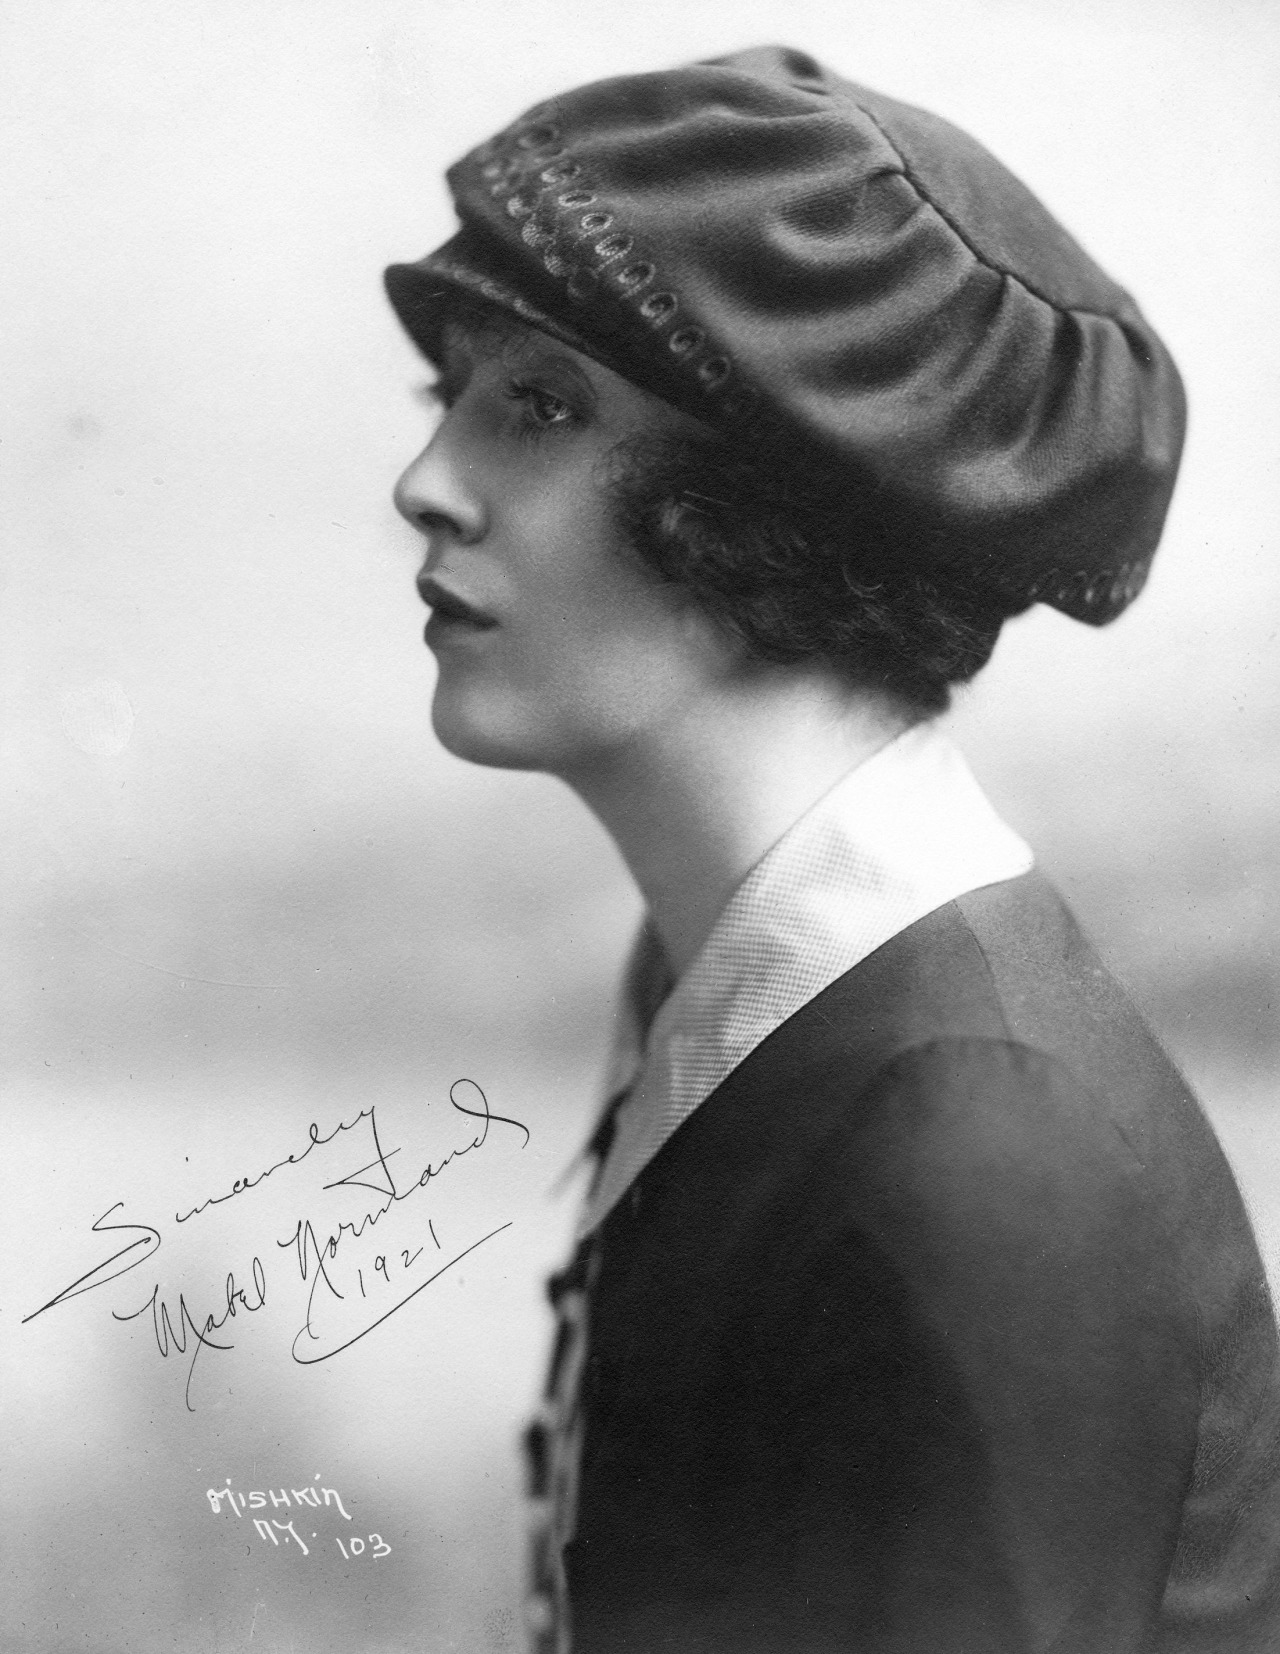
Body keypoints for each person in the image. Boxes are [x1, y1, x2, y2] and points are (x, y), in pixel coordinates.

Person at [384, 44, 1280, 1654]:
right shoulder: (741, 979)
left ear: (781, 501)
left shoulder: (968, 1139)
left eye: (539, 405)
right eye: (454, 395)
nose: (425, 482)